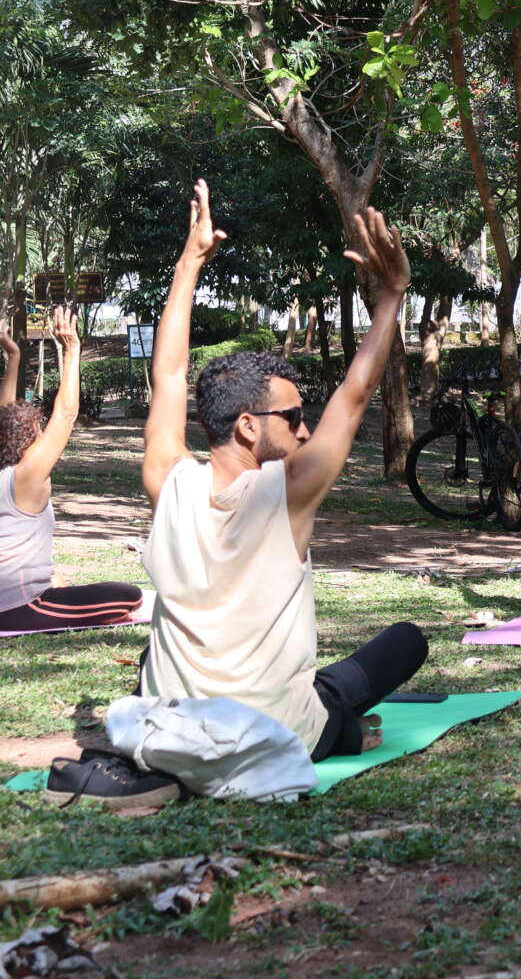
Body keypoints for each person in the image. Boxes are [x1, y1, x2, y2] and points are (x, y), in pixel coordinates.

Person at [138, 180, 427, 770]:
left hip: (173, 742)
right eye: (293, 417)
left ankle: (333, 712)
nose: (303, 430)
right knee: (404, 644)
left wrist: (189, 262)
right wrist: (393, 293)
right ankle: (343, 726)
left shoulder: (168, 480)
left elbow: (168, 377)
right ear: (247, 426)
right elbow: (355, 394)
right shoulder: (286, 492)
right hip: (277, 733)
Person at [0, 309, 143, 631]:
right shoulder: (27, 477)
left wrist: (14, 357)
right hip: (19, 608)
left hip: (11, 600)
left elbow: (4, 417)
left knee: (57, 577)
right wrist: (72, 349)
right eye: (38, 430)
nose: (42, 434)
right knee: (127, 595)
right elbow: (65, 415)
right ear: (28, 441)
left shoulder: (5, 474)